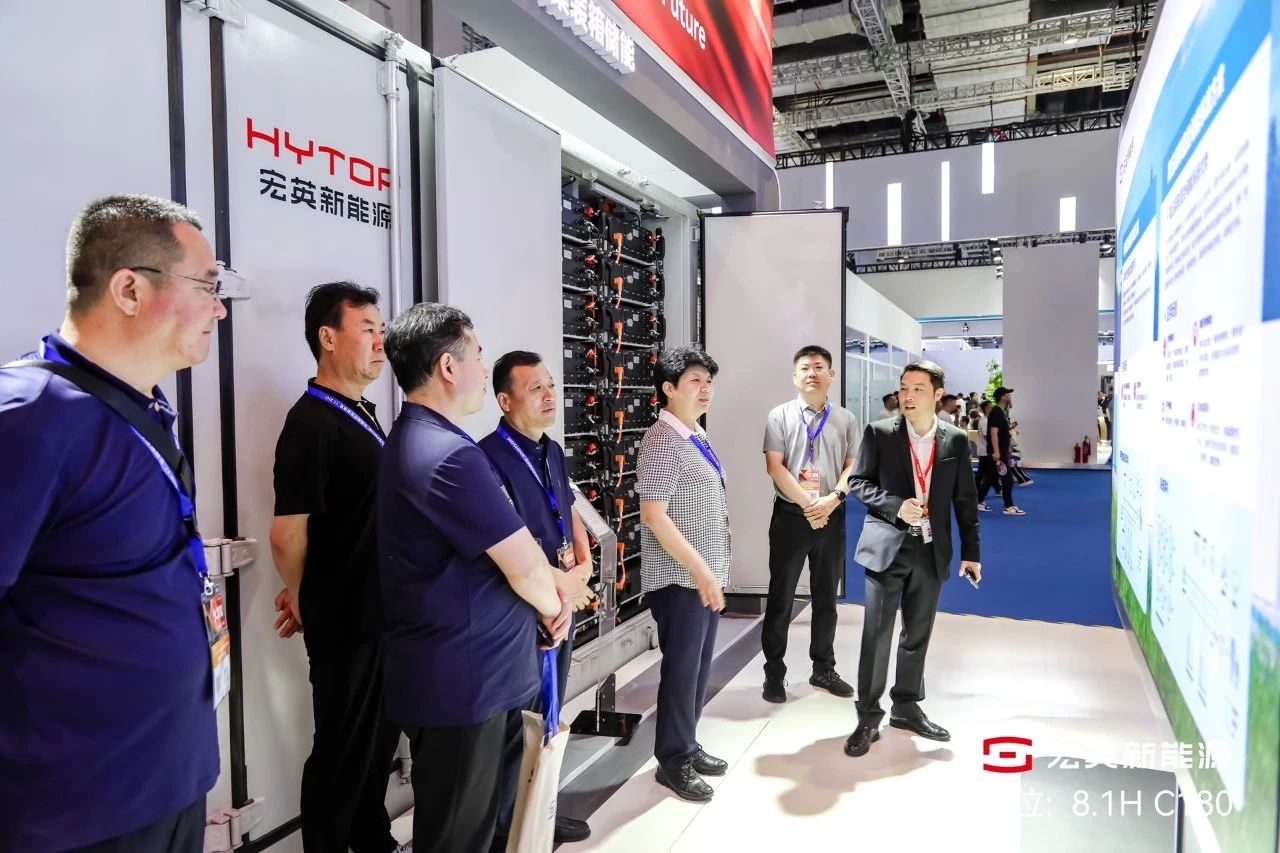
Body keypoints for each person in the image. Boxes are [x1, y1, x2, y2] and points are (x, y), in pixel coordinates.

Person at [0, 194, 226, 851]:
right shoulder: (30, 418)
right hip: (81, 810)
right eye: (207, 286)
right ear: (129, 289)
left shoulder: (138, 408)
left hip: (168, 782)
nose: (219, 308)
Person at [377, 303, 590, 853]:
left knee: (481, 826)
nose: (481, 365)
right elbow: (523, 564)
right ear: (448, 367)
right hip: (464, 686)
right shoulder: (446, 454)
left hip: (474, 678)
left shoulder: (424, 440)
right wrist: (556, 605)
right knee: (458, 835)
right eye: (477, 355)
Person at [269, 282, 403, 853]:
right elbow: (286, 533)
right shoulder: (311, 422)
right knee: (341, 752)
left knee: (376, 746)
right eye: (367, 329)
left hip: (378, 612)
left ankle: (374, 839)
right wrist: (303, 594)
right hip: (345, 619)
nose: (380, 342)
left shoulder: (361, 413)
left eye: (381, 330)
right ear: (328, 338)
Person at [479, 350, 594, 847]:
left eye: (550, 385)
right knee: (516, 727)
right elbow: (506, 550)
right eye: (535, 388)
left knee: (551, 710)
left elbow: (567, 509)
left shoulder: (552, 450)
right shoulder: (487, 458)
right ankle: (508, 829)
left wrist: (583, 566)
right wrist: (555, 596)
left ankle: (540, 811)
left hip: (560, 602)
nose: (549, 395)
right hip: (523, 610)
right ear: (505, 401)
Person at [844, 360, 982, 758]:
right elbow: (858, 483)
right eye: (904, 388)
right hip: (887, 546)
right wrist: (895, 505)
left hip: (931, 549)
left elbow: (965, 501)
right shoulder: (880, 432)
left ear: (938, 395)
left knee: (917, 633)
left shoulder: (955, 440)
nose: (907, 395)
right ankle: (868, 716)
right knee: (877, 634)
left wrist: (972, 552)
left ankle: (905, 706)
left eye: (918, 389)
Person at [638, 347, 731, 803]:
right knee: (681, 671)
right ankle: (672, 761)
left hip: (703, 576)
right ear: (668, 388)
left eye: (708, 381)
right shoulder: (662, 440)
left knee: (697, 669)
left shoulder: (694, 434)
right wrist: (699, 570)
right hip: (680, 579)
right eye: (695, 380)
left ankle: (687, 744)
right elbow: (654, 515)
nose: (705, 388)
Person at [760, 345, 859, 703]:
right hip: (791, 517)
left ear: (831, 375)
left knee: (826, 598)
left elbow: (853, 466)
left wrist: (832, 500)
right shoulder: (780, 415)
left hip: (832, 515)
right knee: (780, 598)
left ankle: (824, 669)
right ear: (794, 377)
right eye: (805, 368)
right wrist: (808, 504)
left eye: (819, 367)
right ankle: (774, 674)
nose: (812, 373)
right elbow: (775, 466)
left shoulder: (846, 419)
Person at [978, 387, 1024, 515]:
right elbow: (994, 433)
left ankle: (978, 501)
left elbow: (1001, 432)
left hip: (1001, 450)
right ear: (1002, 396)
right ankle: (1008, 506)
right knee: (1007, 479)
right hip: (998, 452)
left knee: (990, 477)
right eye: (1008, 394)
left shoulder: (1001, 411)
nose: (1010, 396)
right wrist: (997, 452)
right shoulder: (996, 412)